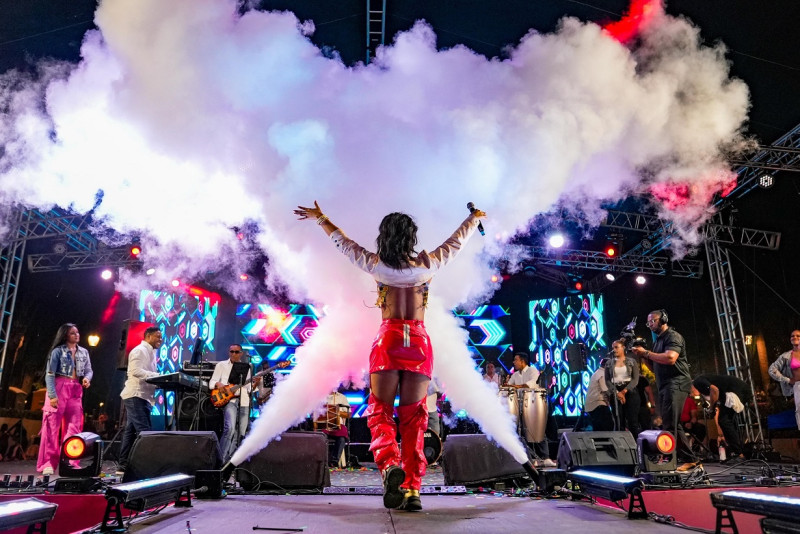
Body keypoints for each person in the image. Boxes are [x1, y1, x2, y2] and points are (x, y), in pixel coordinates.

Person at [294, 200, 485, 511]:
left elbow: (344, 244)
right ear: (411, 237)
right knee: (415, 419)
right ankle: (412, 490)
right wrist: (473, 218)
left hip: (389, 339)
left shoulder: (377, 266)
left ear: (385, 236)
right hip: (419, 344)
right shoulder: (428, 265)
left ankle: (389, 467)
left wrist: (322, 218)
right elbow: (456, 242)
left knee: (380, 412)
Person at [632, 309, 698, 469]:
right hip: (666, 385)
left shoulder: (672, 336)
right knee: (675, 424)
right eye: (648, 322)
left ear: (663, 320)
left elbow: (670, 358)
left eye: (652, 321)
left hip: (676, 383)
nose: (650, 325)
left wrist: (647, 352)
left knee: (669, 424)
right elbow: (656, 367)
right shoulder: (658, 341)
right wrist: (644, 356)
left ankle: (667, 461)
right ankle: (691, 460)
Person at [37, 323, 93, 475]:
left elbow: (89, 370)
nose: (77, 335)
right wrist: (52, 395)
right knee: (51, 427)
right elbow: (50, 374)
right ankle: (48, 462)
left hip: (75, 389)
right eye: (72, 333)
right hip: (59, 386)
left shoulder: (84, 352)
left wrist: (87, 379)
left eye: (77, 332)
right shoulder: (57, 352)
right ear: (65, 336)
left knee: (74, 426)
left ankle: (69, 460)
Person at [117, 327, 163, 475]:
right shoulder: (139, 350)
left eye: (161, 337)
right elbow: (135, 371)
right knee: (144, 430)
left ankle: (122, 465)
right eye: (157, 337)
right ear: (148, 336)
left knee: (130, 432)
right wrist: (157, 376)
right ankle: (149, 465)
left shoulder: (151, 352)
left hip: (143, 396)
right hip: (135, 395)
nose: (160, 340)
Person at [210, 344, 260, 463]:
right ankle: (219, 461)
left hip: (244, 401)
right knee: (230, 429)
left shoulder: (248, 367)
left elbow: (249, 388)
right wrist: (218, 384)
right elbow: (212, 382)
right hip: (229, 400)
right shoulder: (221, 365)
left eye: (236, 352)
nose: (233, 354)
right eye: (231, 351)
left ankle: (230, 463)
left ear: (241, 353)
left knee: (241, 433)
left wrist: (256, 384)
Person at [507, 352, 556, 467]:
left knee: (537, 429)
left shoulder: (532, 371)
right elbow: (509, 386)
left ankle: (546, 457)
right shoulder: (515, 375)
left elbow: (530, 385)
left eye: (516, 360)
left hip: (533, 404)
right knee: (522, 431)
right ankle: (529, 458)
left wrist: (514, 387)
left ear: (522, 361)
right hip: (518, 404)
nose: (514, 362)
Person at [691, 375, 752, 462]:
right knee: (726, 422)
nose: (691, 394)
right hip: (737, 391)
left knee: (724, 421)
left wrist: (711, 408)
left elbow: (715, 390)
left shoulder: (698, 381)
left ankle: (739, 454)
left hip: (736, 391)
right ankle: (737, 452)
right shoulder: (703, 389)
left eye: (689, 391)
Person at [604, 339, 641, 438]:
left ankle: (635, 446)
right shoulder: (609, 363)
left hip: (629, 390)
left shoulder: (632, 362)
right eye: (613, 348)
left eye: (616, 347)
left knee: (633, 421)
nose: (614, 350)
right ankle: (620, 446)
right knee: (618, 421)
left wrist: (624, 391)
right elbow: (607, 380)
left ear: (623, 348)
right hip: (615, 391)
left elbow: (635, 379)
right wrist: (616, 392)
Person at [767, 330, 800, 430]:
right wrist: (787, 379)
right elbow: (772, 370)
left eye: (798, 335)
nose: (794, 337)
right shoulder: (786, 356)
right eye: (792, 336)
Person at [316, 390, 351, 467]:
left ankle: (334, 461)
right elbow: (315, 412)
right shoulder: (321, 397)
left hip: (338, 425)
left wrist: (337, 412)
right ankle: (322, 461)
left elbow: (348, 414)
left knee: (341, 439)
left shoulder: (342, 397)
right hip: (324, 425)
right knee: (321, 438)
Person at [585, 361, 613, 431]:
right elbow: (605, 390)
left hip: (593, 405)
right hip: (598, 404)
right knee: (607, 426)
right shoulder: (602, 374)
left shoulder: (597, 373)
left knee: (598, 428)